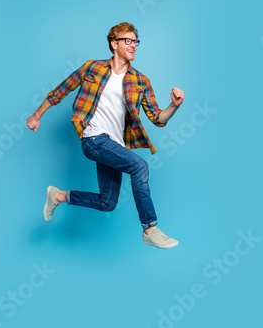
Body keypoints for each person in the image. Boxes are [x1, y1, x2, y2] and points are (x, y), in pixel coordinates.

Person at [26, 22, 184, 249]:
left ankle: (58, 196)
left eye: (135, 42)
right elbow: (61, 90)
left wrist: (174, 106)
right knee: (139, 167)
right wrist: (36, 115)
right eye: (127, 41)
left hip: (113, 145)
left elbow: (158, 119)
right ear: (114, 44)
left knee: (107, 202)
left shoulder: (140, 81)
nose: (133, 46)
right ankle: (150, 228)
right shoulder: (92, 68)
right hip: (93, 139)